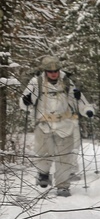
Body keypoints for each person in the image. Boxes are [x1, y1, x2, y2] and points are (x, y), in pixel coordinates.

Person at [20, 55, 95, 197]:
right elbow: (24, 104)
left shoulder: (67, 82)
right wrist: (26, 101)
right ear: (45, 71)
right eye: (50, 71)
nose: (53, 74)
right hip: (43, 124)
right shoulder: (36, 82)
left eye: (56, 71)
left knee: (64, 157)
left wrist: (88, 110)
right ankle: (43, 173)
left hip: (64, 124)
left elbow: (80, 100)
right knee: (43, 153)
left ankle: (63, 185)